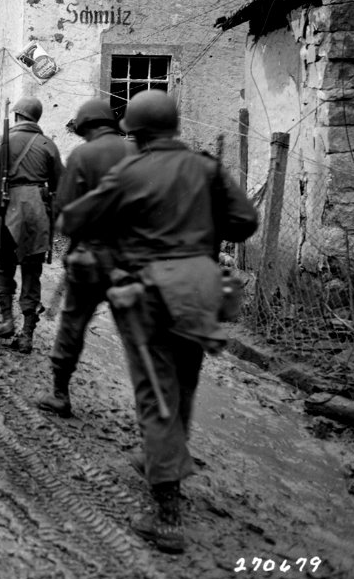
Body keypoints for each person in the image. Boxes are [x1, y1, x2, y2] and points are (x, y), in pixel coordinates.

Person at [59, 90, 258, 554]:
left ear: (137, 132)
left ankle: (167, 515)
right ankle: (160, 455)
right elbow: (244, 222)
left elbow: (73, 220)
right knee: (184, 385)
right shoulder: (207, 168)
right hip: (201, 288)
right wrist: (199, 229)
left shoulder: (129, 172)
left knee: (156, 394)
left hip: (149, 293)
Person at [36, 98, 135, 418]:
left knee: (73, 323)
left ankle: (59, 393)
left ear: (87, 126)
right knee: (139, 338)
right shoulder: (138, 153)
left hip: (90, 257)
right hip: (131, 261)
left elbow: (64, 208)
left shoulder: (82, 155)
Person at [0, 97, 63, 354]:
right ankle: (27, 334)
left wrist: (3, 192)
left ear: (17, 115)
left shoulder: (0, 142)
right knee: (31, 271)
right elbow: (61, 184)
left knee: (4, 267)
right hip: (38, 214)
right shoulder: (48, 145)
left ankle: (6, 319)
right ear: (36, 118)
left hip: (7, 211)